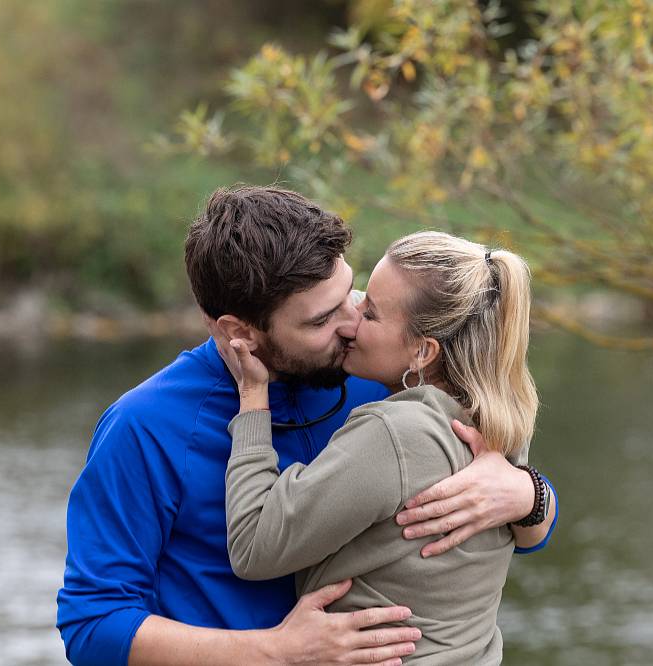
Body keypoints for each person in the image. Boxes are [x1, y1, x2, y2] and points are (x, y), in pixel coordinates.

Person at [57, 186, 557, 665]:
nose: (350, 323)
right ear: (240, 332)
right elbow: (93, 626)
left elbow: (511, 537)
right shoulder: (144, 427)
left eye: (351, 294)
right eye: (320, 320)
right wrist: (274, 653)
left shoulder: (380, 375)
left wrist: (528, 495)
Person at [221, 230, 556, 664]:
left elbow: (252, 548)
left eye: (371, 313)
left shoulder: (396, 433)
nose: (352, 319)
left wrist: (252, 399)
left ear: (422, 353)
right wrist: (535, 493)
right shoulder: (502, 417)